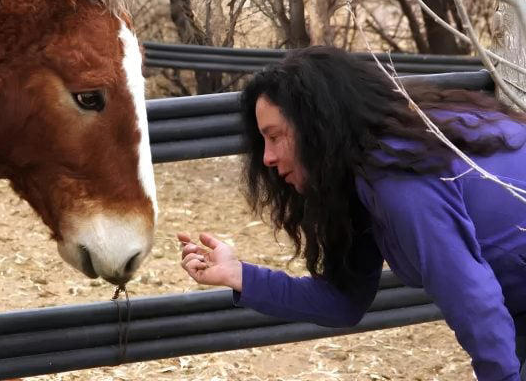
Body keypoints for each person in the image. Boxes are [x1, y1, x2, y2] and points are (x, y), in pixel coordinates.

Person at [178, 46, 526, 381]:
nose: (267, 158)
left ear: (317, 127)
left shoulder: (398, 177)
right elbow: (343, 301)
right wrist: (238, 275)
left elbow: (472, 299)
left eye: (275, 136)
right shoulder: (365, 175)